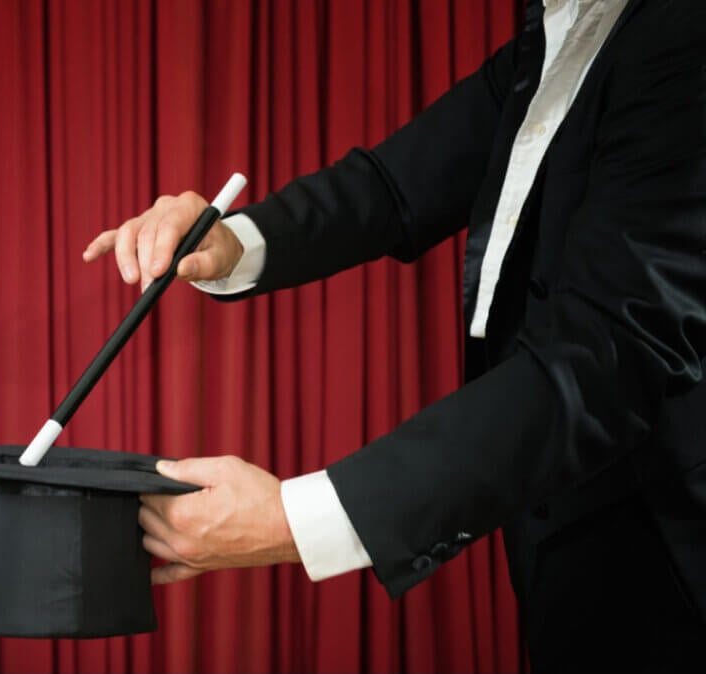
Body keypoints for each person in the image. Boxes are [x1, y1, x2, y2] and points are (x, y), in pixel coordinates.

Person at [83, 0, 705, 670]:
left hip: (675, 547)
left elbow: (606, 356)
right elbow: (391, 188)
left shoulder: (683, 32)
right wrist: (229, 240)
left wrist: (295, 520)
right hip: (563, 533)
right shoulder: (559, 31)